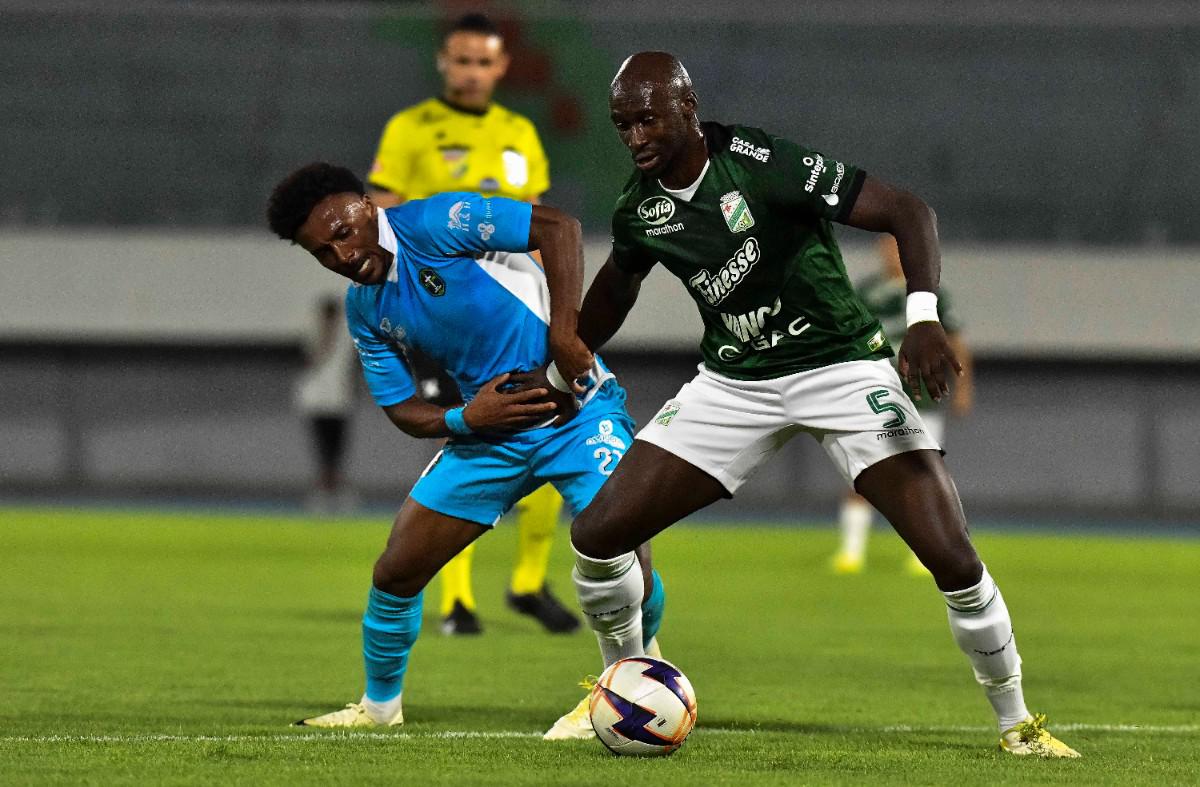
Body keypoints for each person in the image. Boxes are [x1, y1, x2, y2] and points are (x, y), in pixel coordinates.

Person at [563, 52, 1078, 758]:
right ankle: (627, 682)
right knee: (596, 534)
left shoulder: (761, 161)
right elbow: (619, 284)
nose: (635, 135)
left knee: (950, 553)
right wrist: (568, 358)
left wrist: (923, 316)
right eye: (623, 123)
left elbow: (907, 210)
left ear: (688, 105)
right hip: (735, 382)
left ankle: (1018, 724)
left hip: (841, 366)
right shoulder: (641, 206)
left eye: (647, 117)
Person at [265, 162, 666, 729]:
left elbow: (558, 227)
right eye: (322, 253)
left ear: (365, 203)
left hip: (574, 408)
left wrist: (564, 334)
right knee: (396, 571)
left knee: (615, 541)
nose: (342, 255)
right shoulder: (365, 309)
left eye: (343, 232)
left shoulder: (435, 221)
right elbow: (403, 409)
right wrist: (465, 415)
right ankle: (380, 711)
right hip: (490, 431)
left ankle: (629, 686)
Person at [367, 12, 576, 636]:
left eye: (485, 62)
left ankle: (527, 582)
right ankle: (456, 598)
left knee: (541, 430)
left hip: (514, 316)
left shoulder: (519, 132)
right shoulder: (411, 130)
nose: (473, 72)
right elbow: (379, 218)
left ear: (502, 66)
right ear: (444, 62)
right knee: (468, 441)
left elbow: (537, 224)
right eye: (463, 60)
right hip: (443, 317)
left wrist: (552, 311)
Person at [832, 235, 974, 574]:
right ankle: (851, 553)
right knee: (863, 472)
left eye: (898, 248)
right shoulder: (866, 292)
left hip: (923, 396)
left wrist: (964, 386)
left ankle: (927, 553)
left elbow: (954, 342)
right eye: (885, 249)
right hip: (878, 397)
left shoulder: (931, 295)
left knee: (925, 473)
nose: (891, 255)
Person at [295, 295, 359, 513]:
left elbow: (352, 367)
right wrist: (323, 339)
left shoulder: (347, 337)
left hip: (339, 400)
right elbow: (309, 361)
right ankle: (323, 492)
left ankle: (337, 491)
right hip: (316, 400)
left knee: (337, 449)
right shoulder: (311, 336)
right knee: (322, 450)